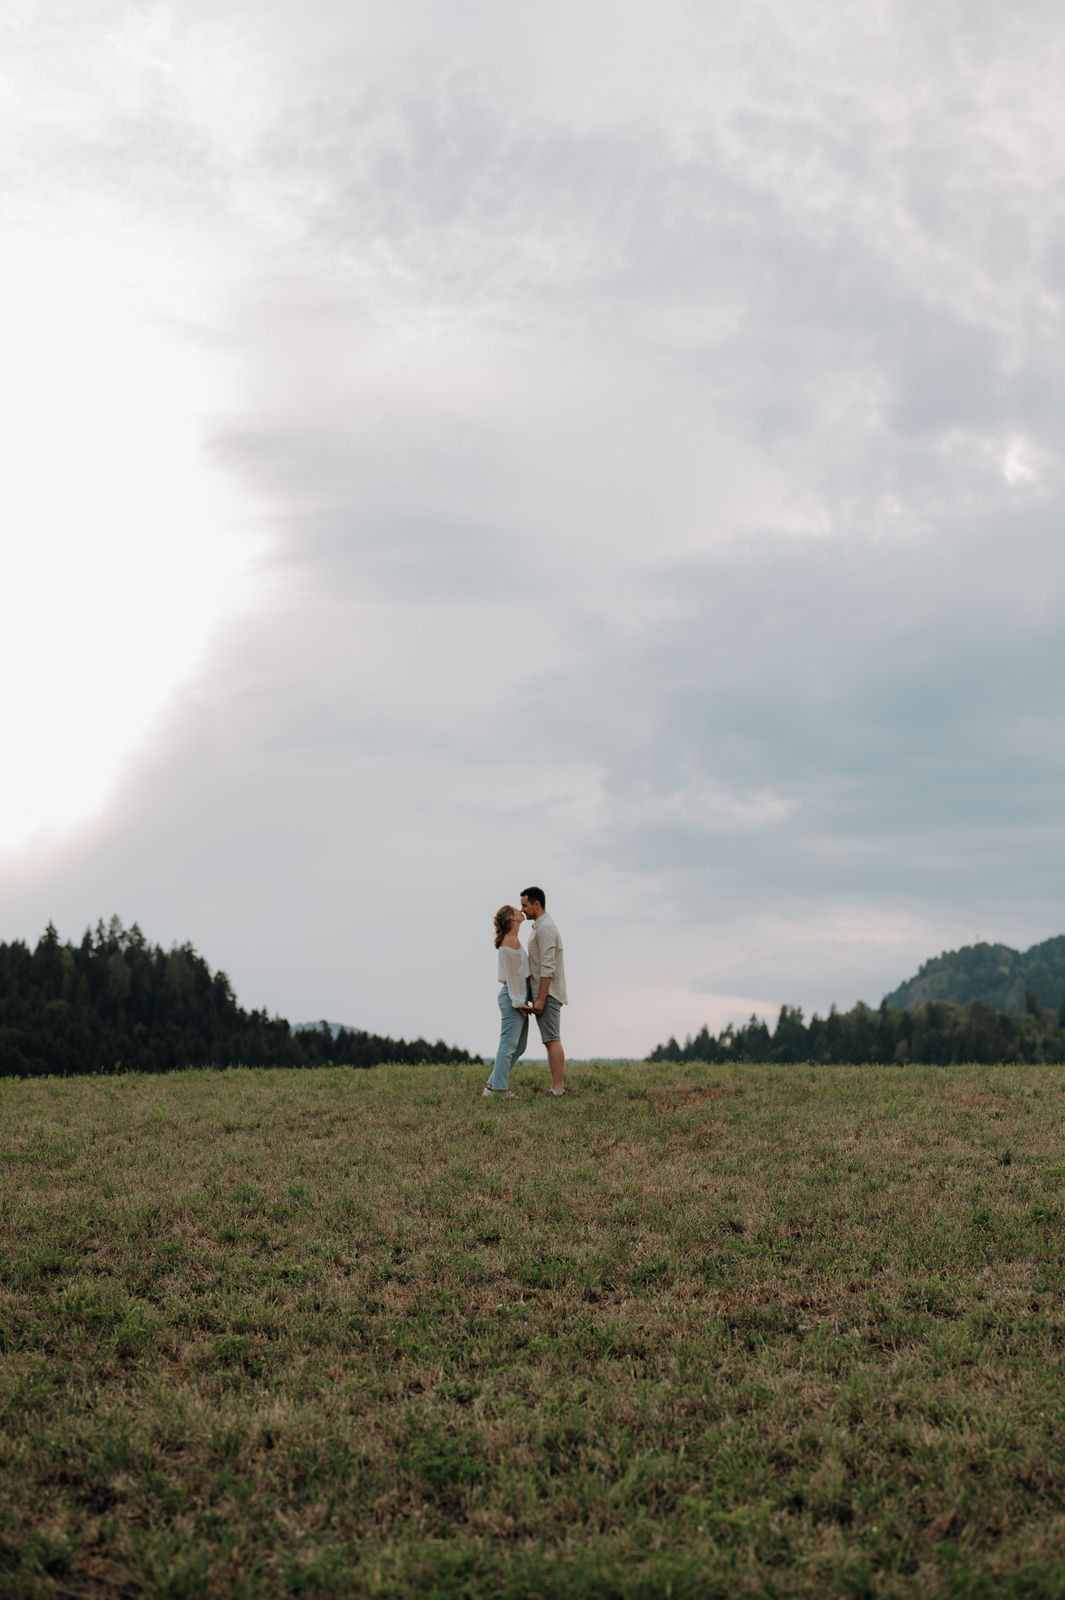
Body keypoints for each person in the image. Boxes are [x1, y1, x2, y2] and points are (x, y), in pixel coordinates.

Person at [520, 886, 566, 1096]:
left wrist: (541, 998)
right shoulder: (540, 927)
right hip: (543, 992)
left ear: (536, 904)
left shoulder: (546, 928)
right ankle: (556, 1087)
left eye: (525, 905)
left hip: (548, 993)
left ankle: (558, 1088)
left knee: (552, 1039)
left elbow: (548, 966)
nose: (522, 910)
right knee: (549, 1040)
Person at [484, 905, 529, 1097]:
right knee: (508, 1045)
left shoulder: (513, 939)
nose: (521, 912)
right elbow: (513, 976)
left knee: (519, 1046)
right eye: (517, 910)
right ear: (512, 917)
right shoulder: (510, 941)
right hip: (513, 997)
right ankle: (501, 1090)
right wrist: (519, 1002)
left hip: (516, 995)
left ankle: (491, 1087)